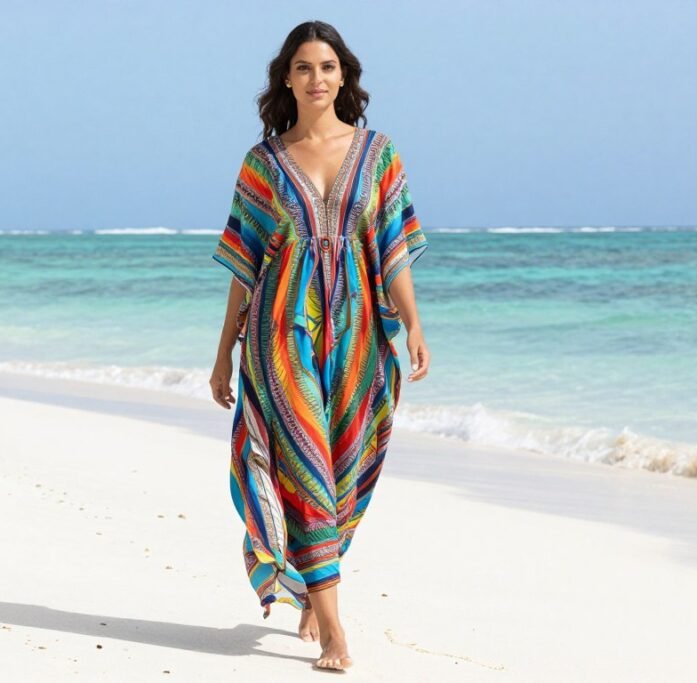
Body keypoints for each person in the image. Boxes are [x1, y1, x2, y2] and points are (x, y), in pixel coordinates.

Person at [208, 20, 430, 672]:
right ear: (286, 77)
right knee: (303, 462)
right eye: (303, 67)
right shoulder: (264, 164)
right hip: (281, 333)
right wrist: (223, 352)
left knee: (341, 471)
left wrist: (414, 323)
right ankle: (335, 628)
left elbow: (393, 252)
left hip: (360, 334)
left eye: (327, 67)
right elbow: (243, 266)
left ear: (344, 76)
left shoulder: (379, 153)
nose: (316, 78)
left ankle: (314, 579)